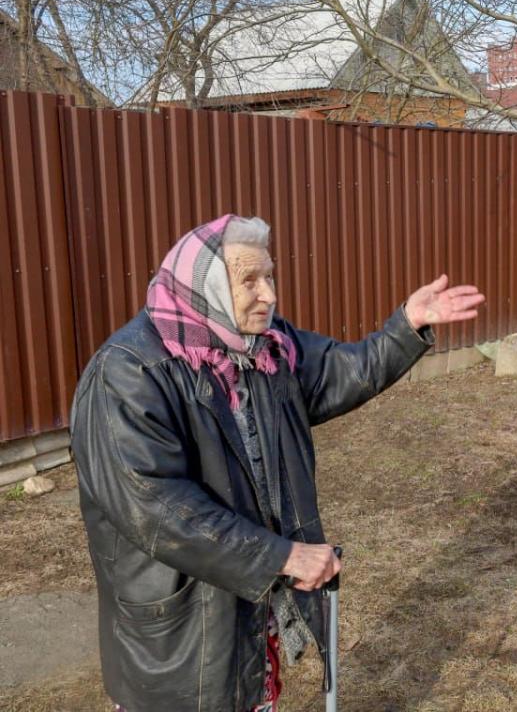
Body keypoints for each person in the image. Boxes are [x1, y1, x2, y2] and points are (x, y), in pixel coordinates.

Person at [70, 214, 484, 712]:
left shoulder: (265, 349)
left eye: (270, 276)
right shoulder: (128, 373)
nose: (269, 294)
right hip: (183, 628)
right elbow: (155, 507)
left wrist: (406, 327)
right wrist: (280, 557)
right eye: (249, 280)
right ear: (204, 287)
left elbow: (337, 372)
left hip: (247, 602)